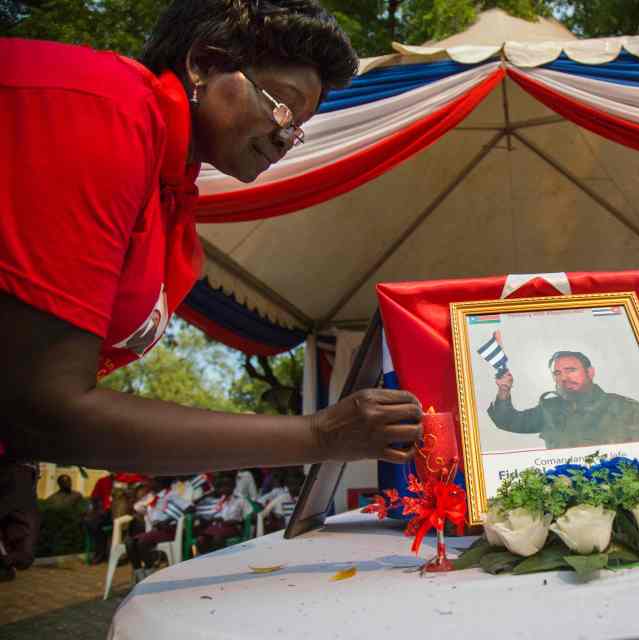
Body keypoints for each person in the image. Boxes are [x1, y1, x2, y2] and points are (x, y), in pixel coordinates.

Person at [0, 1, 423, 528]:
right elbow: (46, 406)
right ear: (203, 62)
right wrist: (320, 435)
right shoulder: (103, 110)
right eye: (283, 107)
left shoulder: (170, 191)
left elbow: (20, 374)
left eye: (298, 130)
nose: (283, 139)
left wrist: (13, 470)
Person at [487, 350, 639, 449]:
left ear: (590, 372)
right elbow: (508, 421)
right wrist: (504, 390)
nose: (564, 377)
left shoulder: (626, 408)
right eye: (558, 373)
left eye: (571, 370)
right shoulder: (549, 409)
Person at [126, 477, 191, 582]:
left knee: (142, 542)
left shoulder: (172, 495)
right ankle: (140, 574)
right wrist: (135, 496)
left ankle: (150, 573)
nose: (148, 483)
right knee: (129, 542)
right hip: (154, 531)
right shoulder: (151, 497)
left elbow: (189, 508)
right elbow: (137, 508)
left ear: (159, 483)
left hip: (168, 530)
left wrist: (169, 520)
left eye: (151, 481)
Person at [194, 474, 246, 553]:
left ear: (233, 486)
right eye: (221, 487)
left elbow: (245, 517)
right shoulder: (220, 501)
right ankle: (205, 560)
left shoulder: (240, 499)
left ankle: (220, 560)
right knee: (201, 540)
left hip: (233, 526)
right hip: (217, 526)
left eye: (227, 486)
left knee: (217, 538)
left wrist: (228, 521)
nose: (224, 489)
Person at [84, 472, 116, 564]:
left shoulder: (128, 481)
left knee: (96, 522)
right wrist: (96, 507)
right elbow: (94, 497)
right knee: (91, 522)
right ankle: (100, 553)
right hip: (105, 513)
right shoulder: (103, 481)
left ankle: (102, 553)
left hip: (121, 513)